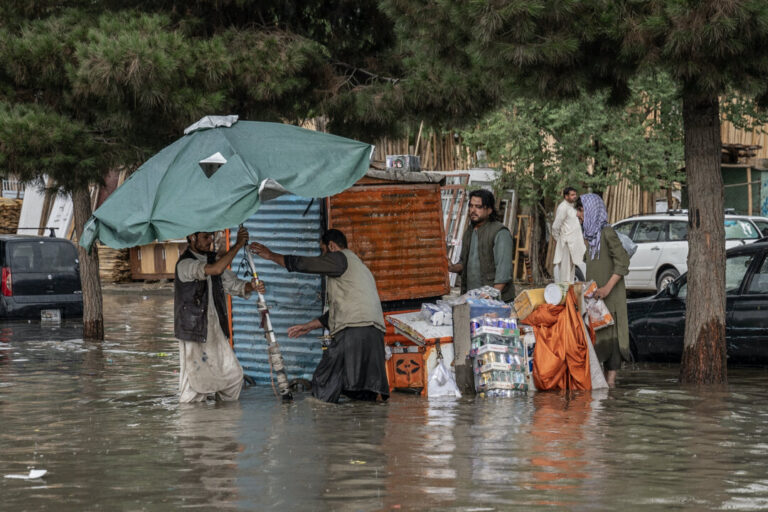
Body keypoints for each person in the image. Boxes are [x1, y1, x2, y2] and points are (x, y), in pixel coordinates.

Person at [248, 229, 389, 403]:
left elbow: (304, 264)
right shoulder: (360, 268)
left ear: (331, 246)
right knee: (363, 393)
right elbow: (341, 311)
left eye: (323, 251)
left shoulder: (340, 257)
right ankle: (354, 428)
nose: (323, 257)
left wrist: (271, 256)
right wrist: (308, 326)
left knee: (324, 381)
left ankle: (323, 422)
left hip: (354, 333)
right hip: (373, 335)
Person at [175, 226, 264, 403]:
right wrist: (238, 244)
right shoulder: (185, 264)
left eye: (212, 236)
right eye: (206, 237)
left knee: (233, 377)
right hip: (194, 331)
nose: (211, 241)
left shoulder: (213, 260)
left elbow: (234, 285)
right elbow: (215, 270)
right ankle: (191, 425)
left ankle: (222, 421)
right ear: (192, 237)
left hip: (215, 329)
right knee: (194, 386)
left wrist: (252, 286)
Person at [576, 194, 630, 387]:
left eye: (581, 210)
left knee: (612, 343)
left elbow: (623, 262)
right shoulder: (590, 237)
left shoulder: (607, 233)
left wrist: (607, 288)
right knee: (598, 339)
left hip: (610, 298)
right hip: (595, 300)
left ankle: (611, 384)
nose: (577, 214)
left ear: (591, 211)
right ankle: (604, 389)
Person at [448, 189, 515, 301]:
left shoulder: (500, 232)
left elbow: (503, 272)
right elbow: (464, 263)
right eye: (471, 206)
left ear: (489, 210)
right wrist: (452, 267)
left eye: (478, 207)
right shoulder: (469, 232)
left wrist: (491, 298)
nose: (473, 210)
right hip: (472, 298)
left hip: (495, 301)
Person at [551, 186, 586, 283]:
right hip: (565, 244)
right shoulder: (563, 208)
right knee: (565, 274)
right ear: (566, 196)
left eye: (575, 194)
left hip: (572, 245)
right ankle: (564, 296)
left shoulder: (571, 207)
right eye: (572, 195)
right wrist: (559, 241)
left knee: (571, 274)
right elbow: (555, 227)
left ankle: (569, 296)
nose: (575, 196)